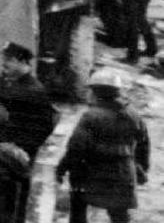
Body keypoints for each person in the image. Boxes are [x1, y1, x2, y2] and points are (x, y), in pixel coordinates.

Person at [57, 69, 150, 223]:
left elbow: (76, 148)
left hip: (92, 174)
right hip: (123, 173)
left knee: (78, 206)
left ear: (95, 92)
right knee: (120, 215)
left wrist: (62, 168)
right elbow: (144, 145)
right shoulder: (133, 114)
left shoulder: (90, 116)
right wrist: (141, 169)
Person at [0, 42, 59, 161]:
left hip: (18, 156)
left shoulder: (35, 90)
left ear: (22, 62)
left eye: (9, 59)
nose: (4, 63)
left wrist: (22, 149)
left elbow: (45, 126)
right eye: (4, 59)